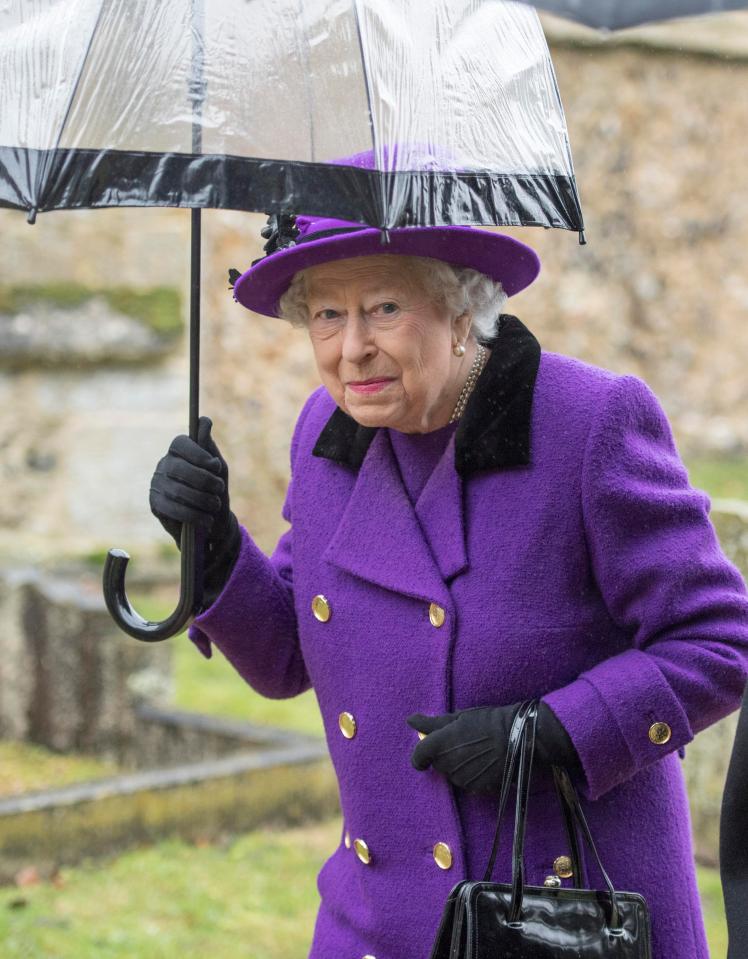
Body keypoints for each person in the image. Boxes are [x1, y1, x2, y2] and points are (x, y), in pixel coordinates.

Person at [149, 209, 748, 959]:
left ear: (463, 306)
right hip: (375, 923)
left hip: (559, 919)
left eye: (384, 308)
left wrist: (554, 732)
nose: (353, 346)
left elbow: (717, 640)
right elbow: (287, 657)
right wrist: (213, 545)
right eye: (327, 314)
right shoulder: (323, 434)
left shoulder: (587, 421)